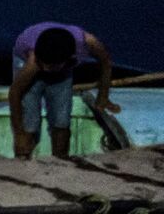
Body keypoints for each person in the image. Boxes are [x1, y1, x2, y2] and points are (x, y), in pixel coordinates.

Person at [9, 22, 119, 159]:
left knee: (61, 121)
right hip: (27, 60)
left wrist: (103, 96)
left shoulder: (88, 42)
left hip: (62, 64)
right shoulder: (34, 62)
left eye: (48, 67)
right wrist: (19, 133)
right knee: (29, 123)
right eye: (42, 65)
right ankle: (22, 158)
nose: (44, 70)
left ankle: (61, 158)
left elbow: (106, 62)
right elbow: (15, 93)